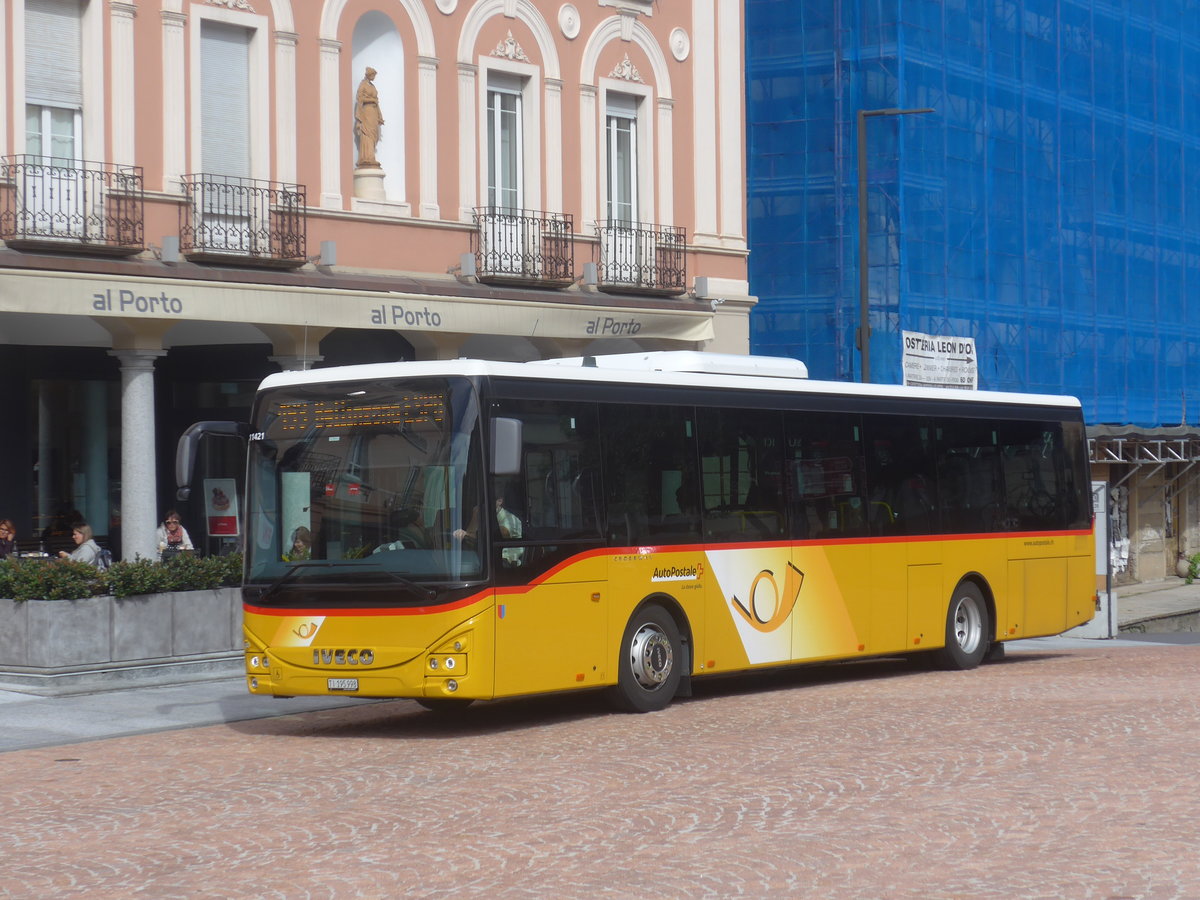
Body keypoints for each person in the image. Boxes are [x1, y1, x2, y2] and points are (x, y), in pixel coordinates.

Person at [354, 67, 384, 167]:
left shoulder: (373, 86)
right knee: (367, 133)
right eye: (373, 75)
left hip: (374, 111)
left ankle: (371, 157)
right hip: (366, 111)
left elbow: (377, 101)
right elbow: (360, 98)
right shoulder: (363, 85)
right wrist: (371, 99)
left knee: (373, 134)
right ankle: (366, 158)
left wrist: (380, 115)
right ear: (369, 75)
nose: (374, 77)